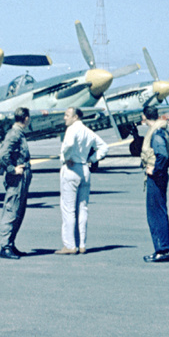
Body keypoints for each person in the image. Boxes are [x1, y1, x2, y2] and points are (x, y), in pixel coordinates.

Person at [56, 107, 108, 254]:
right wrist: (91, 159)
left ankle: (70, 245)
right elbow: (104, 147)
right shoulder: (88, 131)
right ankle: (82, 244)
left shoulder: (72, 129)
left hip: (71, 169)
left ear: (76, 117)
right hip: (84, 168)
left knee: (68, 209)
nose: (64, 118)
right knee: (83, 208)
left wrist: (66, 158)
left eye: (67, 115)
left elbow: (69, 144)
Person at [140, 105, 169, 262]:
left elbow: (162, 154)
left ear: (144, 117)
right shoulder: (162, 131)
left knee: (156, 213)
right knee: (158, 211)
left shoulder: (157, 133)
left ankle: (161, 250)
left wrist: (154, 170)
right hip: (161, 175)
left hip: (157, 177)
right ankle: (161, 249)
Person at [0, 106, 32, 260]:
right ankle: (5, 247)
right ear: (26, 118)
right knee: (12, 211)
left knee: (19, 211)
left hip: (22, 179)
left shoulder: (19, 134)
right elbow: (3, 155)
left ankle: (11, 244)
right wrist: (12, 170)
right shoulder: (14, 134)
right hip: (16, 179)